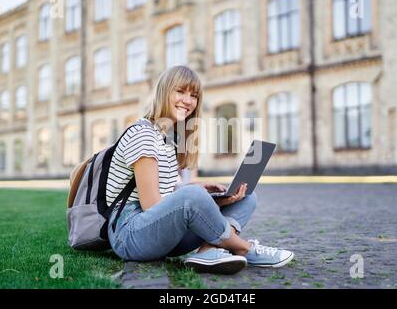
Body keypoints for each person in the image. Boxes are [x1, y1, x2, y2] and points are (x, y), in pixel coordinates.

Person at [106, 66, 294, 274]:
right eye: (180, 91)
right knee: (193, 195)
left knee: (246, 197)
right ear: (163, 92)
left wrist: (213, 200)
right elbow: (151, 205)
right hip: (130, 236)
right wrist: (194, 197)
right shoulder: (143, 134)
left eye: (194, 95)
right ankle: (243, 248)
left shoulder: (170, 139)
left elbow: (166, 198)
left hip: (160, 234)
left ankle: (208, 251)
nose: (188, 100)